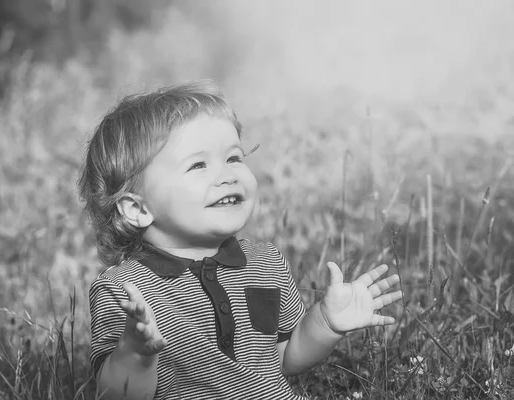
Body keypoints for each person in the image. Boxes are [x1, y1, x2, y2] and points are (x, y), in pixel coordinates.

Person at [78, 80, 403, 400]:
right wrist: (135, 353)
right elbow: (117, 394)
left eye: (234, 158)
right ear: (137, 208)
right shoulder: (125, 291)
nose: (228, 175)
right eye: (198, 165)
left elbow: (284, 357)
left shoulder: (265, 262)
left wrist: (326, 323)